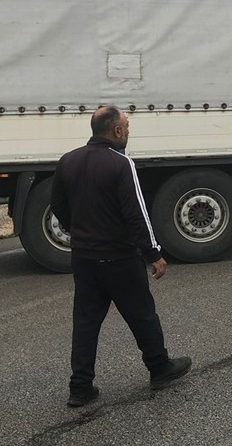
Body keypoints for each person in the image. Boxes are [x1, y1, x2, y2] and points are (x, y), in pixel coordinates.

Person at [50, 105, 192, 407]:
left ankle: (80, 387)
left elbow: (58, 205)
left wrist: (78, 231)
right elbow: (136, 213)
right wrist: (152, 252)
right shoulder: (120, 163)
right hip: (119, 257)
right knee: (142, 314)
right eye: (126, 126)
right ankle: (159, 368)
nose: (127, 130)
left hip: (84, 258)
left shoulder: (68, 161)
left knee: (86, 321)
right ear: (115, 131)